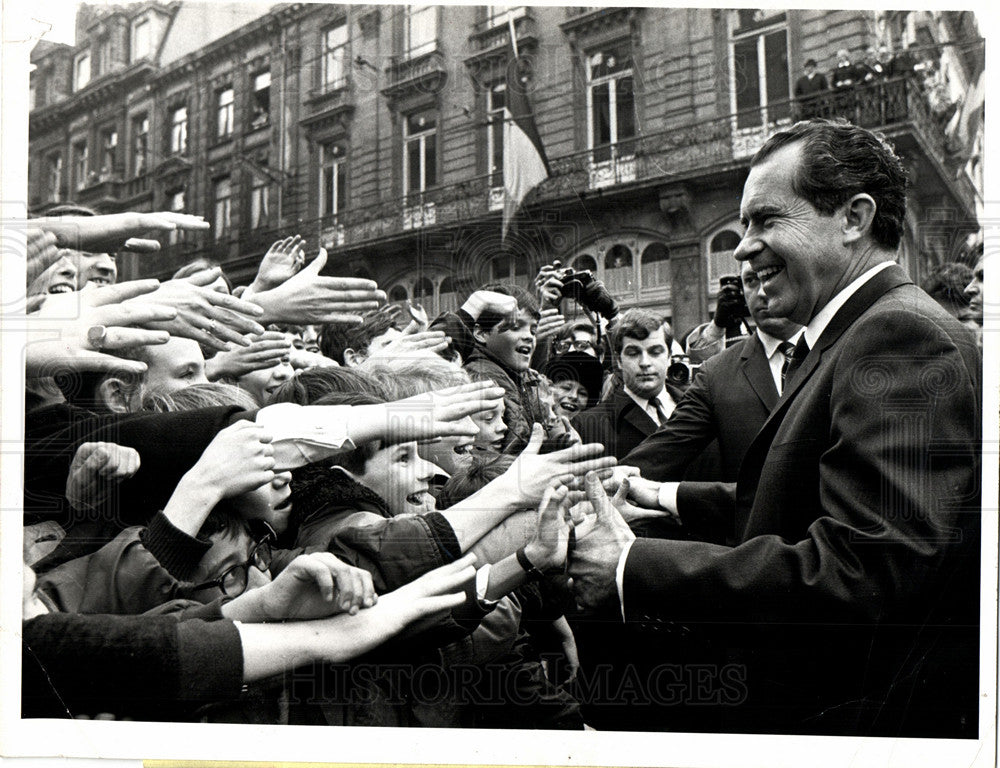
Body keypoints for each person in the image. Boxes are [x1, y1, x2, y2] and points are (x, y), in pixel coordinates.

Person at [569, 119, 981, 737]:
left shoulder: (899, 338)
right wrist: (662, 495)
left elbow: (867, 571)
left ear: (853, 218)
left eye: (765, 219)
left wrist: (632, 565)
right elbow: (811, 496)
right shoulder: (858, 332)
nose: (740, 248)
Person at [623, 262, 802, 486]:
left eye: (773, 276)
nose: (762, 291)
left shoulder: (841, 350)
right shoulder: (716, 374)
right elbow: (664, 449)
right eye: (750, 281)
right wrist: (593, 484)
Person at [573, 309, 686, 460]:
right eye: (633, 353)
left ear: (669, 357)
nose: (645, 363)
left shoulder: (699, 408)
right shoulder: (587, 426)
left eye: (655, 352)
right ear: (618, 360)